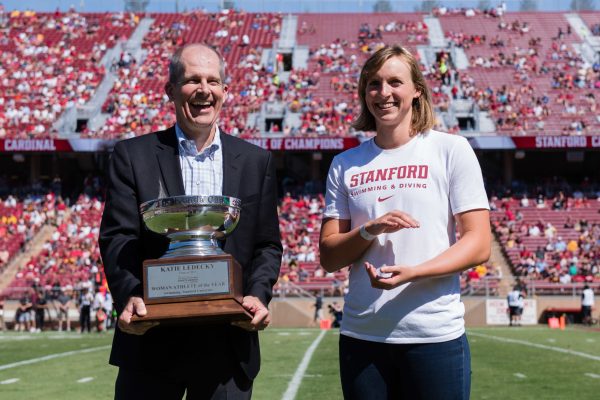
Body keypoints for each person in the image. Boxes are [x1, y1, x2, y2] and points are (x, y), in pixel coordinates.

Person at [99, 43, 282, 399]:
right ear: (170, 90)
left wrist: (258, 296)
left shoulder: (255, 161)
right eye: (192, 80)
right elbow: (118, 238)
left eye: (213, 81)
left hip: (227, 343)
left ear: (226, 92)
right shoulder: (132, 156)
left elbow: (266, 244)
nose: (204, 90)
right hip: (151, 339)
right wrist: (132, 295)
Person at [319, 45, 491, 399]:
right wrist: (369, 229)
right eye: (373, 84)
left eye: (395, 82)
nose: (383, 93)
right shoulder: (345, 163)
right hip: (363, 336)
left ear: (417, 90)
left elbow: (479, 243)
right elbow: (330, 256)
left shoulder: (451, 150)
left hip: (433, 335)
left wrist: (414, 272)